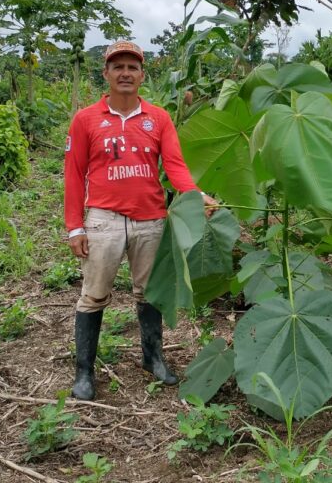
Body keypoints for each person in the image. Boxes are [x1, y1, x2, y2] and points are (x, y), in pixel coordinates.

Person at [63, 40, 218, 401]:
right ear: (106, 74)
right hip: (104, 219)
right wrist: (75, 226)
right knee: (94, 295)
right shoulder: (86, 120)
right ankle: (84, 373)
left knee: (149, 293)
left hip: (150, 218)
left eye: (132, 67)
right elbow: (74, 174)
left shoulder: (158, 118)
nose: (125, 73)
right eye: (118, 67)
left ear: (142, 74)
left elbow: (175, 167)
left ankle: (153, 358)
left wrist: (195, 196)